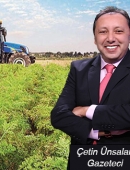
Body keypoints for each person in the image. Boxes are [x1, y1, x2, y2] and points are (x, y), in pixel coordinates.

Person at [51, 6, 130, 168]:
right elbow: (58, 115)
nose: (110, 38)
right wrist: (97, 132)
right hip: (83, 160)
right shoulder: (79, 69)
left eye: (118, 31)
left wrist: (85, 111)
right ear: (95, 38)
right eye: (103, 32)